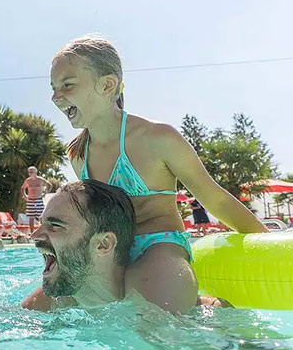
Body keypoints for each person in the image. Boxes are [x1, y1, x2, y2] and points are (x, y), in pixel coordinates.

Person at [42, 35, 266, 313]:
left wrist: (266, 244)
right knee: (34, 313)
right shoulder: (79, 153)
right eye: (53, 87)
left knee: (153, 326)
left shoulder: (157, 138)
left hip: (158, 245)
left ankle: (213, 310)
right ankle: (200, 305)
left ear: (107, 85)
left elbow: (215, 200)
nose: (55, 96)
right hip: (108, 255)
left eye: (67, 85)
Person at [21, 180, 135, 310]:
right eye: (41, 223)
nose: (34, 236)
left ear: (103, 244)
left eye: (55, 225)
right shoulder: (47, 305)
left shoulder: (147, 314)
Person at [21, 166, 53, 233]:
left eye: (31, 172)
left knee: (41, 216)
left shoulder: (40, 179)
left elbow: (49, 185)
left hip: (38, 199)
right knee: (31, 217)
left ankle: (42, 231)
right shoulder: (28, 180)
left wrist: (45, 193)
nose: (30, 173)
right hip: (30, 199)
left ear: (35, 172)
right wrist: (25, 195)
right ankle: (32, 232)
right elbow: (22, 188)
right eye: (29, 172)